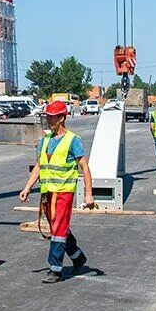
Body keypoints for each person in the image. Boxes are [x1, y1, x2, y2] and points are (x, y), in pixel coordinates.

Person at [19, 99, 94, 283]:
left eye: (51, 118)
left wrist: (88, 194)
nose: (48, 121)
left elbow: (84, 167)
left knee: (58, 230)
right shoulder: (44, 141)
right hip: (47, 193)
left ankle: (55, 269)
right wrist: (27, 187)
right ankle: (77, 257)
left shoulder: (72, 140)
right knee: (57, 228)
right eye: (47, 118)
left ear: (61, 118)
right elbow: (39, 166)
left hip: (63, 192)